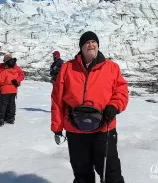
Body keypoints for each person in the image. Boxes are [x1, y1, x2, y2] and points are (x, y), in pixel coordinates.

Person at [51, 31, 129, 183]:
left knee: (110, 173)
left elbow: (122, 91)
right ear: (81, 47)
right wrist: (57, 126)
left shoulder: (111, 67)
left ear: (98, 45)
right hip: (75, 130)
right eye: (87, 42)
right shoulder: (67, 68)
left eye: (94, 42)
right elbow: (57, 99)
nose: (91, 45)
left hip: (104, 128)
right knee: (82, 175)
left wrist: (114, 106)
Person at [0, 57, 18, 126]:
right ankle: (11, 119)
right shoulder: (16, 72)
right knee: (11, 105)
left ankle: (1, 119)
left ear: (7, 65)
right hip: (13, 90)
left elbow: (0, 81)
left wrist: (1, 85)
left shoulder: (4, 72)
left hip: (5, 90)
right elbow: (18, 82)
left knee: (3, 105)